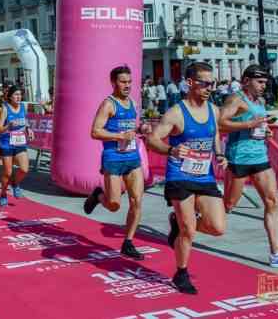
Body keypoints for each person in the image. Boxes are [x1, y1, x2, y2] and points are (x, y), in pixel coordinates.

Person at [147, 62, 227, 295]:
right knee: (189, 231)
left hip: (204, 176)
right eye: (204, 83)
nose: (210, 87)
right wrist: (170, 150)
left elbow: (215, 133)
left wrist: (219, 154)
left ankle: (178, 223)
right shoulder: (176, 113)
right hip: (179, 175)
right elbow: (152, 139)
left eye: (212, 83)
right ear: (190, 83)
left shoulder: (214, 110)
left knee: (217, 227)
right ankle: (181, 273)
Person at [219, 65, 278, 269]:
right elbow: (220, 123)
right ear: (246, 81)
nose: (263, 86)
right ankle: (189, 220)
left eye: (265, 82)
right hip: (239, 158)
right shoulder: (236, 99)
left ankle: (276, 253)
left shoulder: (261, 101)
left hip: (260, 157)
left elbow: (258, 124)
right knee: (228, 205)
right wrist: (249, 125)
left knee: (272, 201)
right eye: (260, 82)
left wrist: (265, 131)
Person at [83, 65, 148, 260]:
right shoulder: (108, 105)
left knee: (137, 201)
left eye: (129, 82)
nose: (127, 85)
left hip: (132, 158)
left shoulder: (133, 103)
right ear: (113, 83)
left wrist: (142, 128)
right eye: (123, 82)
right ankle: (98, 195)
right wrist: (119, 136)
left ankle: (128, 242)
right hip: (113, 158)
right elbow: (95, 132)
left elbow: (133, 128)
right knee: (113, 205)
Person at [0, 85, 33, 207]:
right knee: (7, 172)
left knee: (24, 169)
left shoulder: (23, 107)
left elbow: (25, 121)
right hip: (6, 144)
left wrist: (29, 129)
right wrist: (8, 126)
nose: (18, 97)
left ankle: (15, 183)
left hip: (20, 142)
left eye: (20, 94)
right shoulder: (5, 109)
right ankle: (3, 193)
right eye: (16, 95)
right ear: (10, 96)